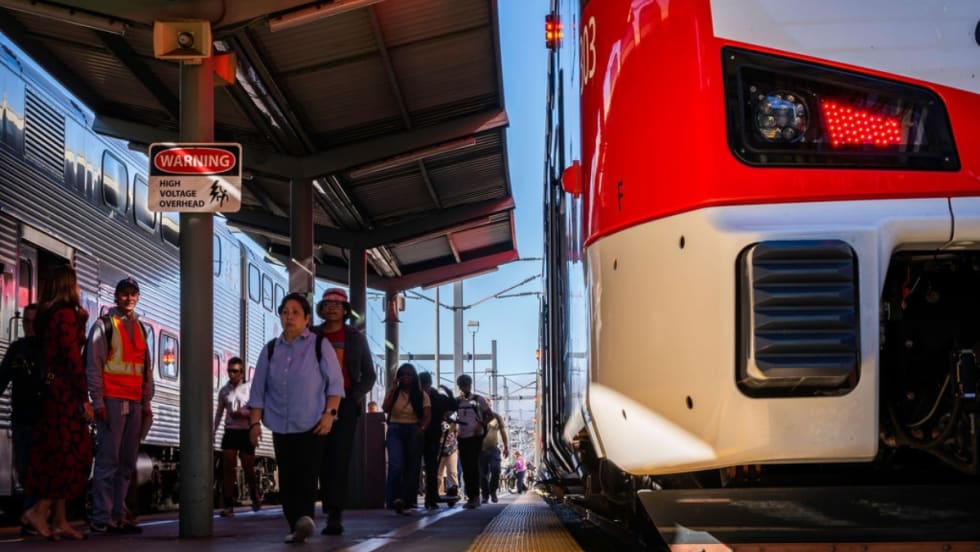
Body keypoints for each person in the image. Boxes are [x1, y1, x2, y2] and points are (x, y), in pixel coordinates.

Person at [248, 292, 344, 544]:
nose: (289, 317)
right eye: (285, 312)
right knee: (287, 477)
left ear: (307, 318)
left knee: (307, 474)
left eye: (295, 312)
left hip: (312, 422)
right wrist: (254, 423)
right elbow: (258, 390)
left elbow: (335, 385)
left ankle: (304, 519)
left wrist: (329, 415)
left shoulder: (318, 345)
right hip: (280, 423)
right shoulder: (270, 350)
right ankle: (296, 524)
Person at [20, 266, 93, 540]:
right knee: (72, 455)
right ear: (68, 285)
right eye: (75, 283)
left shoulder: (52, 316)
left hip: (54, 392)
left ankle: (61, 520)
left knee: (56, 454)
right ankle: (39, 511)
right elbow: (72, 359)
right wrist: (83, 398)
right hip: (64, 394)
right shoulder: (64, 316)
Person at [87, 277, 153, 535]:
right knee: (108, 460)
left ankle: (118, 514)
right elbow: (94, 365)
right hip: (112, 402)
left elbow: (145, 368)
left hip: (134, 402)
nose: (129, 298)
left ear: (137, 297)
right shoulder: (105, 325)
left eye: (133, 294)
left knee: (126, 462)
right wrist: (98, 401)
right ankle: (102, 517)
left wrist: (146, 401)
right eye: (124, 294)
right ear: (116, 297)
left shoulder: (140, 328)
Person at [313, 288, 377, 535]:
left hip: (345, 404)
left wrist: (354, 396)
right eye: (327, 304)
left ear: (345, 310)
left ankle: (334, 514)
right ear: (321, 308)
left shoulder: (355, 338)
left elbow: (369, 375)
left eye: (337, 305)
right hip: (314, 402)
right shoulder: (312, 335)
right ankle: (322, 507)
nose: (332, 308)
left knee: (339, 458)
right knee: (317, 457)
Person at [0, 304, 43, 535]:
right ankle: (31, 514)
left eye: (34, 322)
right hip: (21, 416)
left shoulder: (47, 350)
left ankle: (31, 516)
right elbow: (3, 376)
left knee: (37, 468)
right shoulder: (17, 349)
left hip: (43, 418)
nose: (29, 326)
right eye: (26, 321)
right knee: (24, 466)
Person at [213, 357, 260, 517]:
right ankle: (228, 504)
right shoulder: (224, 391)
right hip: (230, 431)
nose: (232, 374)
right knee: (228, 466)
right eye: (230, 371)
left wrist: (242, 413)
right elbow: (219, 412)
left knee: (248, 466)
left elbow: (255, 409)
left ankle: (254, 494)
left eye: (235, 371)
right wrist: (213, 431)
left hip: (245, 431)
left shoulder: (249, 388)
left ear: (241, 372)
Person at [381, 363, 430, 515]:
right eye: (403, 374)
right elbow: (385, 408)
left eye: (409, 374)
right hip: (395, 429)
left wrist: (422, 428)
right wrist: (394, 388)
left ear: (414, 377)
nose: (406, 377)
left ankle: (407, 500)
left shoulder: (421, 394)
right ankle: (392, 499)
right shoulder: (394, 392)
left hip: (413, 431)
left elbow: (427, 414)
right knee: (396, 464)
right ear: (399, 377)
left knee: (412, 467)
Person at [418, 372, 457, 509]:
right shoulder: (437, 397)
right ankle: (431, 498)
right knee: (431, 468)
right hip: (432, 435)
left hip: (421, 435)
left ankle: (423, 497)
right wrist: (449, 393)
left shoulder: (417, 395)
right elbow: (453, 406)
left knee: (423, 467)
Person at [455, 374, 490, 509]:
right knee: (465, 467)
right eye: (462, 386)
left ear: (470, 385)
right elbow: (450, 413)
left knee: (473, 467)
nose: (464, 389)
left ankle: (475, 496)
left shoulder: (478, 399)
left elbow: (490, 415)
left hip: (475, 438)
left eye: (466, 386)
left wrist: (480, 424)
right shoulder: (457, 401)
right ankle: (471, 496)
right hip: (462, 437)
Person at [479, 398, 509, 503]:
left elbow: (503, 432)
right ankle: (485, 495)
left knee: (496, 469)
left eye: (488, 404)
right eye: (484, 404)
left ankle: (493, 492)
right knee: (482, 474)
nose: (486, 406)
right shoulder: (477, 416)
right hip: (480, 450)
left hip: (493, 449)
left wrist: (506, 447)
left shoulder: (496, 416)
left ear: (490, 404)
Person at [437, 420, 459, 497]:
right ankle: (439, 492)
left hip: (451, 449)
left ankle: (455, 490)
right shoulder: (436, 418)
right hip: (439, 450)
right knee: (438, 474)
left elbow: (456, 432)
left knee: (452, 472)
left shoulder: (453, 419)